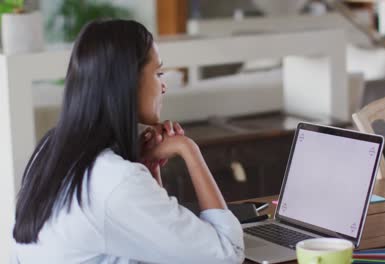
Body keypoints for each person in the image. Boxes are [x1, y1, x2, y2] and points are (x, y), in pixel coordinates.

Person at [12, 20, 244, 264]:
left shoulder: (51, 150)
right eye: (158, 73)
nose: (164, 86)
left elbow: (159, 247)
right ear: (128, 83)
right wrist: (189, 150)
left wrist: (151, 169)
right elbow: (227, 253)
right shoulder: (115, 179)